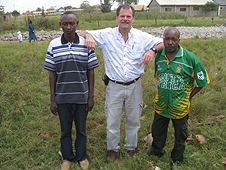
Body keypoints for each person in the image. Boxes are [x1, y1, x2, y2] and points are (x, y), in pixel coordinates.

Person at [80, 4, 164, 163]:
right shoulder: (107, 35)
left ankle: (131, 148)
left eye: (128, 16)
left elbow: (163, 42)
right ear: (117, 17)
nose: (125, 19)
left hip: (134, 86)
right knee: (112, 121)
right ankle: (112, 150)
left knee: (134, 120)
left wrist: (152, 50)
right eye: (122, 16)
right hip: (114, 86)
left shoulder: (141, 36)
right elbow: (83, 32)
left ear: (133, 18)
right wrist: (89, 37)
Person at [43, 11, 99, 170]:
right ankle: (66, 157)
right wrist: (53, 99)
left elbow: (91, 71)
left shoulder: (86, 44)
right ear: (60, 25)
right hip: (62, 97)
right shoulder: (53, 44)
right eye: (65, 24)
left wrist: (91, 96)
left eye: (71, 23)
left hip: (82, 96)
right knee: (65, 129)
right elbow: (52, 73)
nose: (68, 27)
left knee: (81, 129)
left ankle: (81, 156)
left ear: (77, 24)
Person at [149, 27, 210, 166]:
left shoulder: (190, 58)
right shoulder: (159, 56)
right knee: (157, 131)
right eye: (167, 39)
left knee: (180, 135)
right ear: (163, 40)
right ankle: (156, 151)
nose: (170, 42)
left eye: (173, 39)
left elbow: (202, 82)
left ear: (178, 40)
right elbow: (159, 77)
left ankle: (177, 158)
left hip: (180, 106)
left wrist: (189, 96)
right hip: (161, 104)